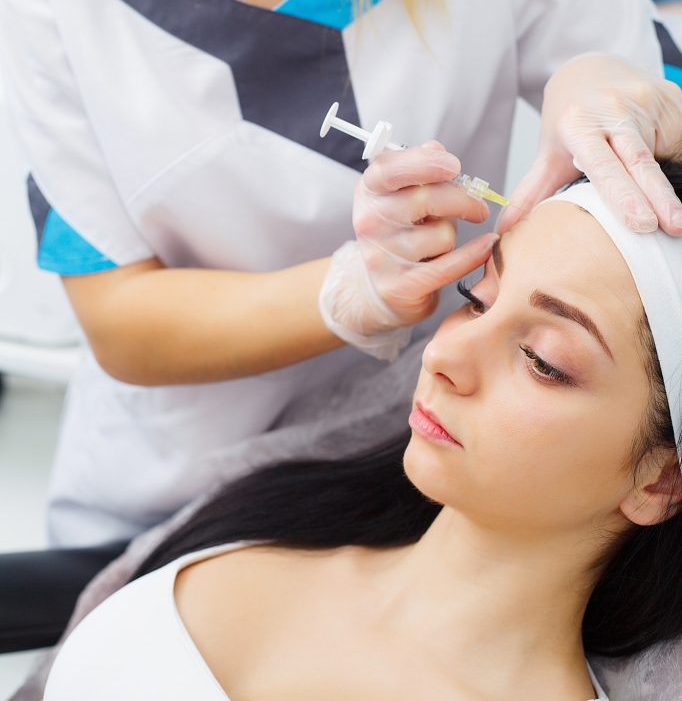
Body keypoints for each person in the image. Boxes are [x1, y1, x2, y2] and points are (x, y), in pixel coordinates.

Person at [1, 0, 681, 548]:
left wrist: (622, 90)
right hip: (167, 513)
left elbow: (662, 141)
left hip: (439, 494)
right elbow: (122, 322)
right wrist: (347, 291)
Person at [41, 154, 682, 701]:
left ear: (662, 479)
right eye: (477, 300)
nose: (441, 357)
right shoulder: (267, 516)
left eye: (542, 360)